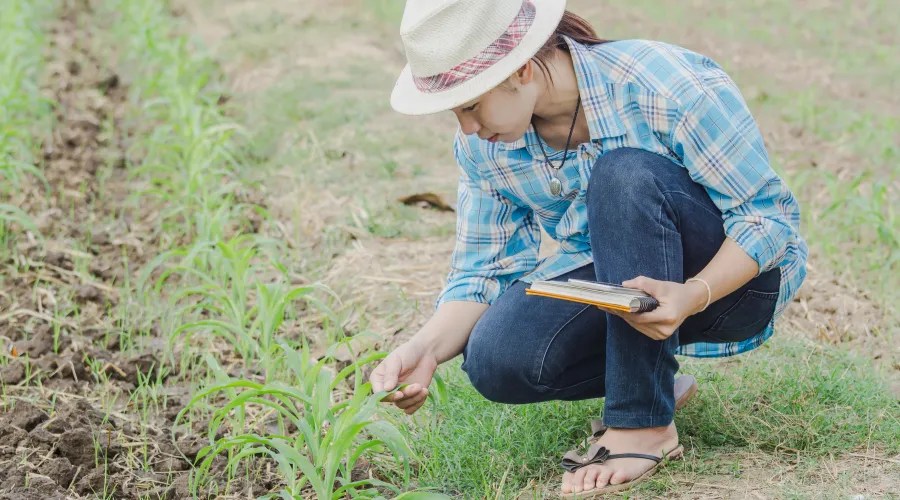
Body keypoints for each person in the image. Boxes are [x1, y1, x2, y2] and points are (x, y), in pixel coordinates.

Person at [369, 0, 808, 495]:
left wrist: (693, 292)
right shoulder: (483, 148)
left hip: (729, 285)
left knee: (622, 174)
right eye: (455, 111)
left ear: (523, 70)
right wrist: (424, 349)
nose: (467, 126)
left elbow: (767, 218)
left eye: (471, 105)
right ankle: (652, 376)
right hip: (623, 285)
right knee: (495, 358)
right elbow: (485, 271)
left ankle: (642, 422)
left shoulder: (663, 85)